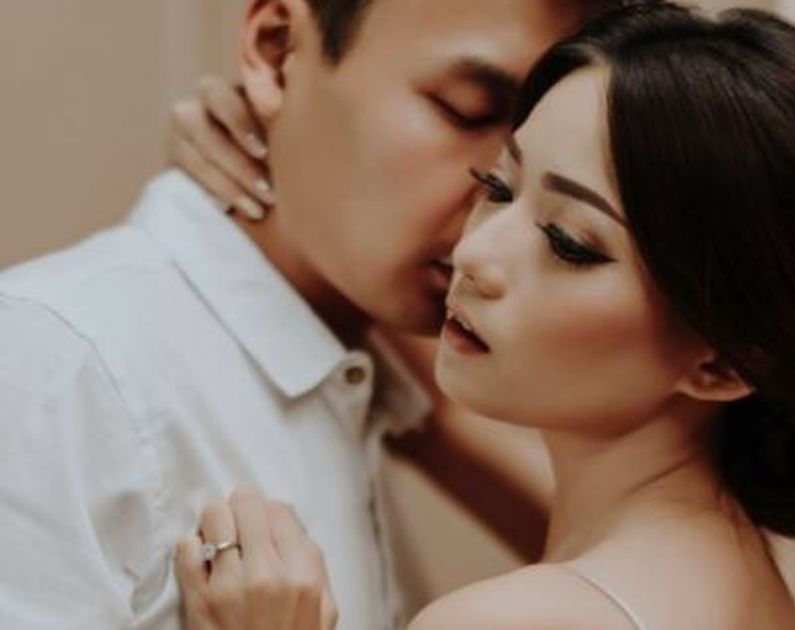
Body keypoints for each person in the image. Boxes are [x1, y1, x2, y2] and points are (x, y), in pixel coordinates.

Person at [172, 3, 795, 629]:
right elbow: (436, 419)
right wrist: (292, 152)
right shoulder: (742, 584)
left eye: (570, 243)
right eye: (497, 188)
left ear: (721, 364)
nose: (473, 252)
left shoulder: (515, 621)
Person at [0, 1, 621, 628]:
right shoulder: (57, 372)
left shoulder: (368, 376)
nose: (502, 195)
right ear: (276, 52)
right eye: (466, 110)